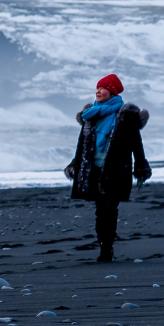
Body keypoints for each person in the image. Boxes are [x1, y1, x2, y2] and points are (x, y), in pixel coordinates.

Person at [63, 73, 151, 263]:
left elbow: (137, 143)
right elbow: (82, 144)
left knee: (109, 209)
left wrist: (141, 165)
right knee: (100, 211)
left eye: (102, 88)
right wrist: (75, 164)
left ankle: (106, 249)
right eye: (97, 88)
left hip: (116, 171)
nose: (98, 92)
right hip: (93, 171)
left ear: (112, 92)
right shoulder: (90, 115)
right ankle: (104, 245)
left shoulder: (126, 116)